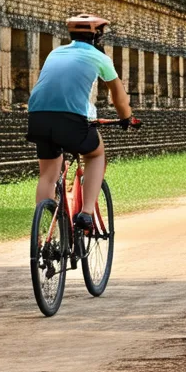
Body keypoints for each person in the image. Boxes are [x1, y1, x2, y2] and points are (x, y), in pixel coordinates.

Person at [25, 14, 139, 231]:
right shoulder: (99, 57)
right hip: (71, 120)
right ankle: (86, 213)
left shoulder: (55, 52)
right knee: (95, 154)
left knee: (48, 175)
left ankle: (47, 234)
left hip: (38, 117)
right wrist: (126, 118)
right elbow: (118, 95)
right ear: (97, 36)